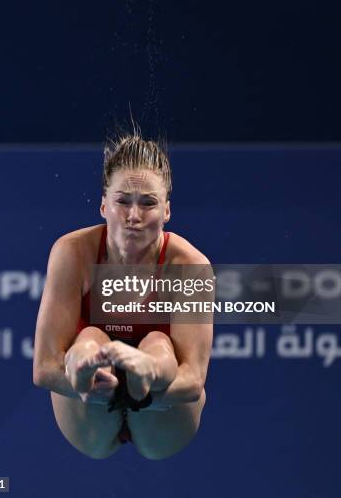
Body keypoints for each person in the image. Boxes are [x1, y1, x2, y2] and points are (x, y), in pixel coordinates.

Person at [33, 133, 213, 459]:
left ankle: (146, 371)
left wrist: (139, 395)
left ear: (167, 211)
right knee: (88, 338)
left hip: (162, 414)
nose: (133, 216)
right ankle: (88, 369)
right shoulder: (72, 252)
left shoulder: (191, 265)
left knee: (158, 342)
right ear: (103, 205)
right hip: (88, 413)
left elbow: (193, 380)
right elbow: (44, 367)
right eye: (122, 201)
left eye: (148, 203)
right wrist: (104, 390)